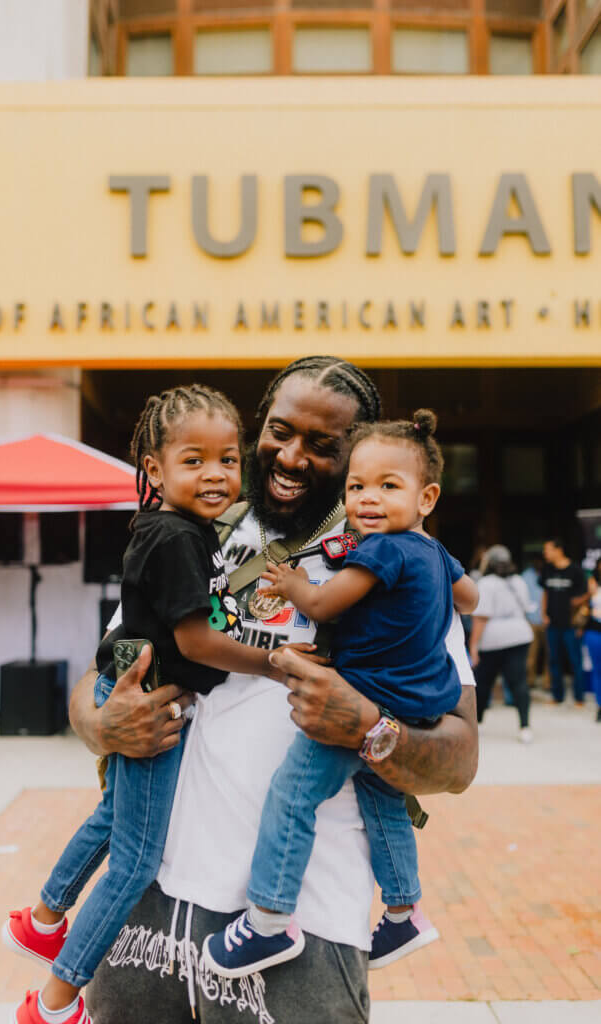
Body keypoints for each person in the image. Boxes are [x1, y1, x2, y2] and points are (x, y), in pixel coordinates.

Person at [67, 357, 479, 1024]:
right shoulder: (192, 528)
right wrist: (101, 718)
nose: (291, 457)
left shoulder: (398, 561)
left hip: (298, 924)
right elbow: (112, 656)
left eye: (324, 446)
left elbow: (459, 757)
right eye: (280, 432)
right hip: (146, 898)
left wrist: (369, 728)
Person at [2, 385, 318, 1024]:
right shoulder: (177, 537)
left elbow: (212, 600)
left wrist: (265, 578)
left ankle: (43, 919)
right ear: (154, 469)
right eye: (194, 460)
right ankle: (55, 1001)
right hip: (148, 694)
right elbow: (196, 637)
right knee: (136, 861)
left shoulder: (186, 533)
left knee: (113, 812)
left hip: (132, 673)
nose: (215, 474)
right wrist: (275, 661)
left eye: (227, 460)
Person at [202, 410, 479, 978]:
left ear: (426, 496)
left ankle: (268, 921)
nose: (367, 500)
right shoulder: (433, 550)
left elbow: (326, 605)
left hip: (360, 700)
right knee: (382, 802)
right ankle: (404, 910)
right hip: (416, 705)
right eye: (357, 487)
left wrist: (290, 583)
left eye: (387, 486)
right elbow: (469, 599)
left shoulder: (382, 550)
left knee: (291, 796)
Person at [469, 545, 534, 743]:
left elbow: (481, 617)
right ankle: (525, 726)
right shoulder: (519, 581)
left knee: (483, 682)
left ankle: (477, 723)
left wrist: (473, 646)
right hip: (520, 634)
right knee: (519, 682)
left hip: (493, 638)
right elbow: (526, 607)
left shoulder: (486, 583)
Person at [540, 538, 588, 705]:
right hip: (552, 624)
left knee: (575, 660)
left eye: (548, 549)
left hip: (571, 625)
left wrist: (576, 605)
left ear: (558, 550)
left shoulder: (575, 570)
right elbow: (545, 593)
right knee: (554, 660)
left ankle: (579, 697)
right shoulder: (547, 569)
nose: (545, 553)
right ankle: (557, 696)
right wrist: (544, 613)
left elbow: (585, 594)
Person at [521, 555, 548, 689]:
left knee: (550, 656)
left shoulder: (548, 574)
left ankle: (547, 683)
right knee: (531, 654)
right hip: (531, 619)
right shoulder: (525, 576)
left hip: (546, 620)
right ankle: (530, 681)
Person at [582, 558, 601, 722]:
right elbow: (586, 606)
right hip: (595, 631)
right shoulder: (593, 583)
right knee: (598, 670)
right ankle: (600, 705)